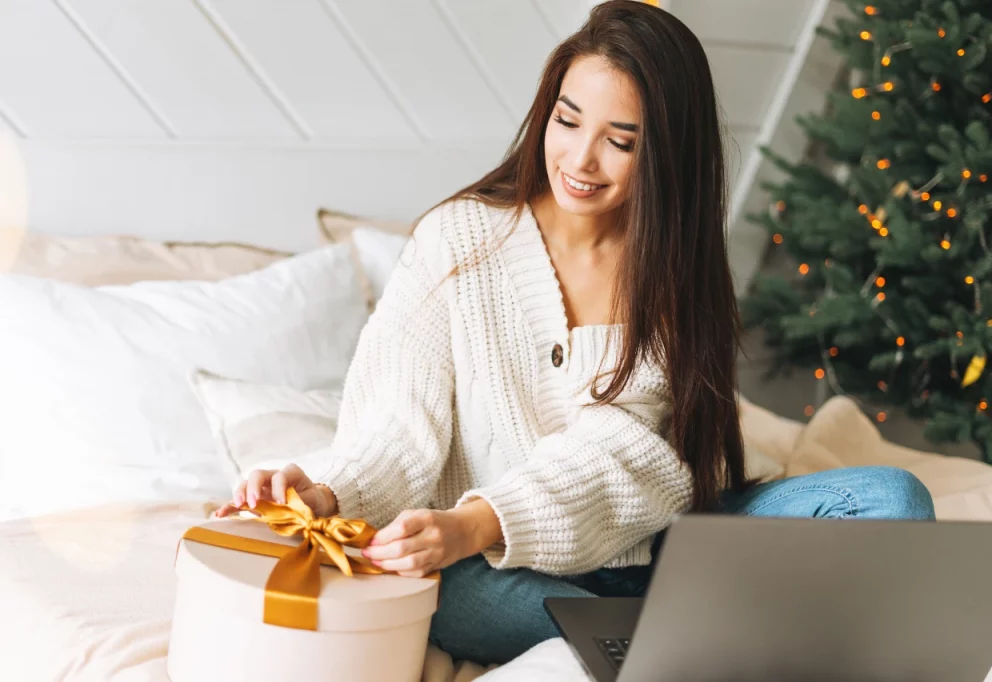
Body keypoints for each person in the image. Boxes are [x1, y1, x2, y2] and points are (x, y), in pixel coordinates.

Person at [215, 0, 935, 666]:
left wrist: (477, 520)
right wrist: (327, 493)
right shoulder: (459, 240)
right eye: (567, 120)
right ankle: (708, 646)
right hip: (507, 568)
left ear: (665, 155)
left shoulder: (672, 269)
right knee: (452, 594)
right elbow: (400, 427)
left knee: (891, 499)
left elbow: (635, 457)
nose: (580, 161)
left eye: (620, 141)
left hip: (670, 547)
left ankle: (665, 645)